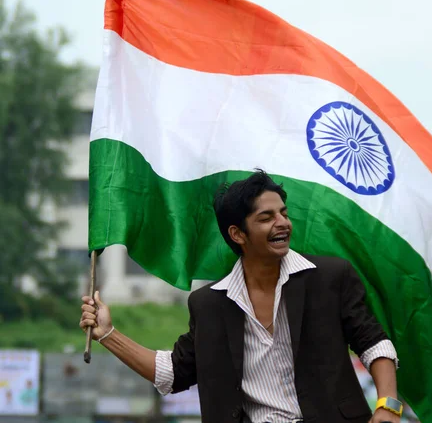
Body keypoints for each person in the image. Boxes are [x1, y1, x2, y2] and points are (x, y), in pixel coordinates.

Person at [80, 170, 402, 423]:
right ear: (238, 234)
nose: (283, 223)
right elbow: (172, 373)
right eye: (266, 218)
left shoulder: (330, 278)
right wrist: (108, 334)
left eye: (284, 213)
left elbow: (375, 344)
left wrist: (388, 405)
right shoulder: (210, 304)